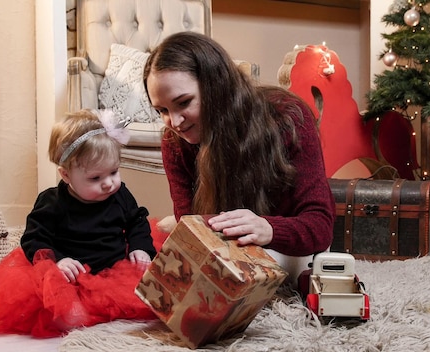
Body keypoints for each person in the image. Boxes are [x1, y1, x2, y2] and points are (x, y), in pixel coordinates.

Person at [0, 109, 159, 338]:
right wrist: (59, 261)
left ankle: (107, 308)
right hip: (72, 276)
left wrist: (141, 248)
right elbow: (34, 238)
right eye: (96, 178)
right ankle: (77, 311)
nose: (109, 183)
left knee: (153, 294)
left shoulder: (120, 195)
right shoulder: (52, 203)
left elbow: (137, 221)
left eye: (114, 171)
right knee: (63, 313)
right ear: (66, 175)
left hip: (114, 269)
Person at [143, 32, 336, 264]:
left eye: (183, 103)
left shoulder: (288, 118)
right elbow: (192, 227)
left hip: (287, 250)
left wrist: (268, 228)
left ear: (217, 86)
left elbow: (320, 226)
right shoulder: (175, 142)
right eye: (162, 111)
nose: (174, 123)